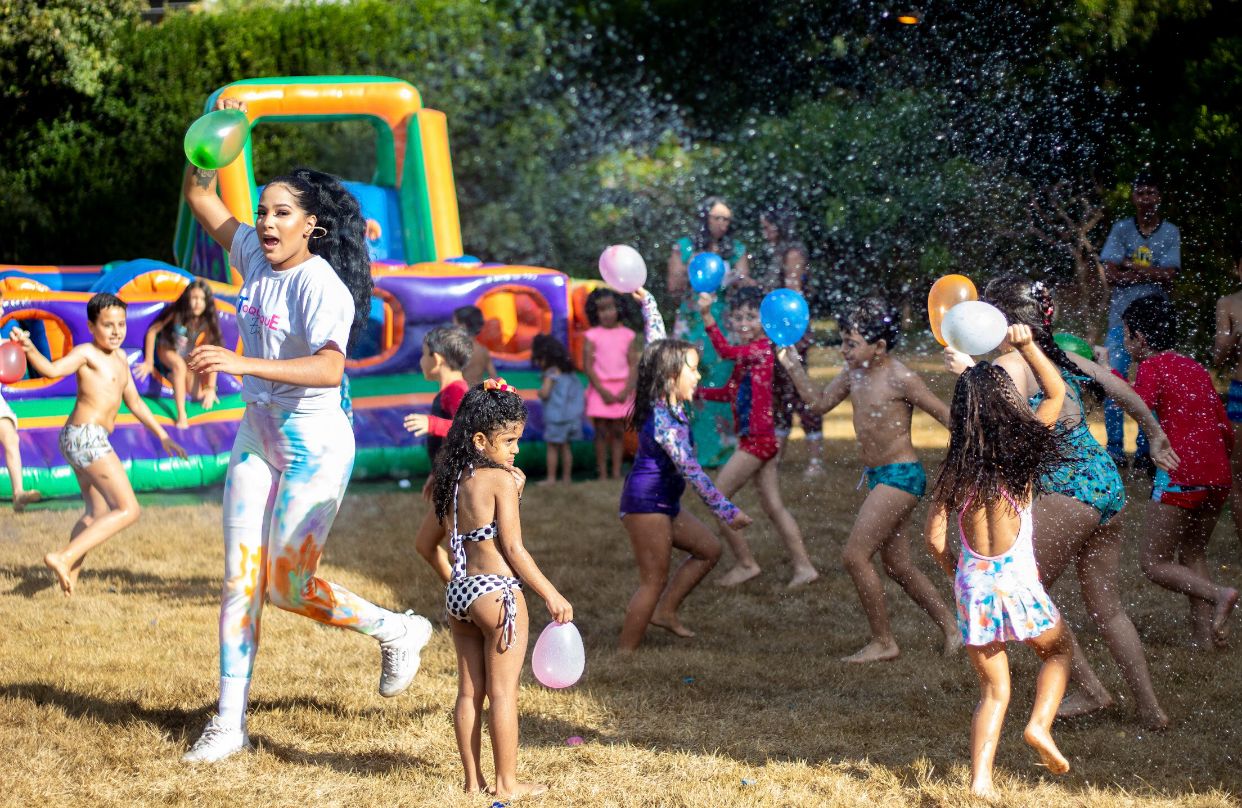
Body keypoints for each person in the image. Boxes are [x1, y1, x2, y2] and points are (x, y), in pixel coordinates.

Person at [179, 99, 433, 763]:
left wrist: (239, 360)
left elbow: (327, 368)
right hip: (257, 441)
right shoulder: (252, 255)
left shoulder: (322, 285)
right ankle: (228, 723)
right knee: (240, 580)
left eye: (280, 212)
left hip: (314, 451)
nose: (264, 222)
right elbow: (199, 194)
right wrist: (212, 142)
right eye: (261, 211)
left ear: (310, 225)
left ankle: (396, 628)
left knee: (286, 589)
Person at [959, 275, 1177, 728]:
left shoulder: (1011, 366)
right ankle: (1152, 709)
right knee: (1107, 607)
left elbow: (998, 432)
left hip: (1069, 489)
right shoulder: (1059, 356)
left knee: (1027, 595)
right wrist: (1153, 435)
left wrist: (968, 378)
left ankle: (1092, 691)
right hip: (1104, 482)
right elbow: (1122, 390)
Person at [926, 324, 1074, 799]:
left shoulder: (955, 471)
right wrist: (1029, 347)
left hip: (975, 587)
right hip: (1020, 585)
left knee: (994, 691)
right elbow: (1056, 392)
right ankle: (1039, 727)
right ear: (1007, 407)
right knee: (1058, 651)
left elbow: (934, 541)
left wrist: (956, 570)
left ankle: (981, 781)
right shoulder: (1022, 459)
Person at [779, 298, 958, 661]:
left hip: (902, 475)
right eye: (843, 341)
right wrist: (794, 367)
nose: (843, 350)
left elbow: (946, 416)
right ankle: (953, 629)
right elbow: (818, 405)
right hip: (878, 477)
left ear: (878, 346)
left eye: (851, 342)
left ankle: (884, 641)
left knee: (855, 556)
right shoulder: (853, 373)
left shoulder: (900, 377)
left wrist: (962, 461)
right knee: (898, 566)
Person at [432, 378, 573, 799]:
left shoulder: (454, 478)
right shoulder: (500, 480)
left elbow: (466, 533)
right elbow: (513, 548)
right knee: (503, 693)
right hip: (498, 593)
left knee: (469, 692)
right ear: (480, 440)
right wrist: (551, 593)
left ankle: (472, 782)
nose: (515, 449)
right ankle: (508, 784)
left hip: (459, 593)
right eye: (509, 440)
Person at [11, 293, 186, 592]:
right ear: (92, 327)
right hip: (85, 436)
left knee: (97, 513)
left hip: (82, 438)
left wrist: (163, 435)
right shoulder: (87, 353)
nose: (116, 331)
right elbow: (52, 370)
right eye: (108, 325)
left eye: (121, 324)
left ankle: (69, 577)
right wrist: (29, 349)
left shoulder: (120, 359)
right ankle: (63, 557)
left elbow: (135, 402)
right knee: (129, 509)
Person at [618, 288, 751, 650]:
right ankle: (623, 656)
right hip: (646, 506)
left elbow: (657, 344)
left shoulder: (666, 399)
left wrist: (648, 303)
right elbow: (693, 472)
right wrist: (727, 510)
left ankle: (666, 612)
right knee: (652, 579)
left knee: (708, 549)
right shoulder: (665, 421)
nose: (697, 375)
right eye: (691, 369)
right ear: (671, 375)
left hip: (665, 505)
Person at [1122, 295, 1238, 648]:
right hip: (1217, 475)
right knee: (1193, 552)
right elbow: (1224, 427)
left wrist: (1107, 374)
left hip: (1181, 474)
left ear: (1141, 339)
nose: (1125, 343)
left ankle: (1220, 593)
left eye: (1127, 336)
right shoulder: (1195, 367)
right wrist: (1216, 467)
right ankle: (1206, 638)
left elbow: (1135, 405)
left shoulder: (1152, 367)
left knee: (1153, 562)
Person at [696, 287, 819, 589]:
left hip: (758, 441)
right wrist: (698, 392)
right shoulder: (747, 358)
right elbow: (729, 392)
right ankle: (805, 567)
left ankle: (746, 563)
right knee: (773, 507)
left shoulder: (762, 349)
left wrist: (706, 317)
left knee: (717, 496)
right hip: (758, 440)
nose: (742, 323)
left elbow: (724, 351)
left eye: (751, 317)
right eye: (737, 317)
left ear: (765, 322)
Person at [1100, 170, 1181, 472]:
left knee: (1153, 387)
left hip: (1155, 321)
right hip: (1121, 320)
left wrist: (1130, 267)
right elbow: (1110, 273)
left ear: (1159, 198)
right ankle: (1115, 450)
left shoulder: (1170, 232)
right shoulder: (1122, 229)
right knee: (1113, 382)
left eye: (1151, 193)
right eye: (1141, 193)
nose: (1146, 198)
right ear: (1133, 197)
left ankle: (1147, 451)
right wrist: (1151, 271)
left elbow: (1170, 274)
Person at [668, 196, 749, 468]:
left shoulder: (735, 250)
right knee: (686, 381)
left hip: (722, 325)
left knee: (722, 383)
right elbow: (673, 288)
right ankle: (687, 448)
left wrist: (736, 279)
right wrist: (689, 266)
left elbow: (745, 287)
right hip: (691, 324)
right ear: (705, 218)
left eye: (727, 219)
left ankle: (724, 452)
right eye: (717, 217)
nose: (722, 224)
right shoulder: (684, 247)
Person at [758, 205, 825, 478]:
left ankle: (815, 461)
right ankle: (778, 457)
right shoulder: (777, 252)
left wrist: (788, 332)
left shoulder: (792, 252)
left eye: (768, 226)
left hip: (791, 330)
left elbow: (793, 292)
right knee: (780, 391)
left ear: (780, 225)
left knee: (799, 390)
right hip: (778, 329)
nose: (765, 232)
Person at [404, 325, 474, 582]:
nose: (421, 361)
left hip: (458, 486)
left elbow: (467, 430)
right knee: (425, 544)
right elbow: (449, 445)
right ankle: (458, 597)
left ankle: (469, 609)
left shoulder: (457, 391)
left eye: (424, 354)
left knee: (459, 554)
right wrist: (436, 473)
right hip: (446, 481)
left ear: (438, 359)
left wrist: (431, 423)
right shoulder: (447, 392)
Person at [134, 279, 223, 428]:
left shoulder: (205, 321)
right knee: (179, 366)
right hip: (167, 349)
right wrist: (149, 362)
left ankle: (172, 377)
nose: (197, 303)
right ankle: (181, 415)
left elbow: (211, 353)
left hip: (184, 355)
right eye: (194, 298)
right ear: (188, 298)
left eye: (202, 299)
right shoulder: (177, 313)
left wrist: (211, 388)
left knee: (197, 396)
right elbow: (152, 332)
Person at [582, 287, 639, 480]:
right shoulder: (592, 335)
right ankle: (603, 472)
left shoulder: (628, 335)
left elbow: (633, 365)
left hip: (622, 389)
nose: (606, 314)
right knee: (600, 431)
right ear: (594, 313)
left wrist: (627, 389)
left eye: (610, 308)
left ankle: (615, 471)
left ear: (619, 309)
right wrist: (601, 390)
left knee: (617, 431)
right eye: (601, 310)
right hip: (600, 389)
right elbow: (588, 366)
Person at [1212, 238, 1242, 550]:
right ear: (1237, 268)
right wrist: (1235, 335)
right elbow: (1218, 358)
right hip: (1240, 390)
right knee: (1238, 473)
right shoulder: (1228, 304)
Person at [531, 334, 585, 485]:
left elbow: (546, 393)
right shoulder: (568, 373)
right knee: (566, 447)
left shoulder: (551, 373)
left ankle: (551, 478)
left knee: (552, 447)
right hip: (570, 416)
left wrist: (540, 392)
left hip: (556, 417)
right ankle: (567, 478)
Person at [453, 305, 497, 387]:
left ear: (463, 326)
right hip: (477, 395)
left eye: (455, 324)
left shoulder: (457, 350)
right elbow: (493, 376)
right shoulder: (483, 350)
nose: (453, 328)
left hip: (461, 395)